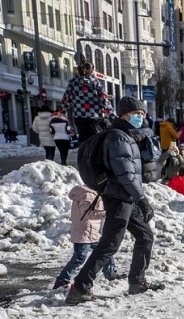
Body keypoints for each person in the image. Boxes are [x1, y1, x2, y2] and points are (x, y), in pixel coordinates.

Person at [65, 96, 164, 304]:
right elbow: (126, 174)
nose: (141, 117)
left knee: (145, 236)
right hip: (119, 197)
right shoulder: (118, 138)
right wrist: (142, 199)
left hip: (126, 195)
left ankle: (137, 281)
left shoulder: (128, 135)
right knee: (110, 243)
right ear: (125, 115)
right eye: (137, 114)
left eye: (142, 113)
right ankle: (80, 287)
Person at [54, 184, 122, 289]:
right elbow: (87, 214)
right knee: (79, 258)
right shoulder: (87, 195)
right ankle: (61, 280)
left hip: (92, 233)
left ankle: (110, 273)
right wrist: (107, 213)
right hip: (84, 233)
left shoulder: (92, 194)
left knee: (106, 250)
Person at [61, 61, 115, 142]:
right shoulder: (95, 82)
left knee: (83, 140)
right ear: (91, 71)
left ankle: (83, 153)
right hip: (94, 117)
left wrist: (62, 111)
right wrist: (112, 114)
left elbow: (67, 98)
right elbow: (103, 99)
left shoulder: (73, 82)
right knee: (95, 140)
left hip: (79, 116)